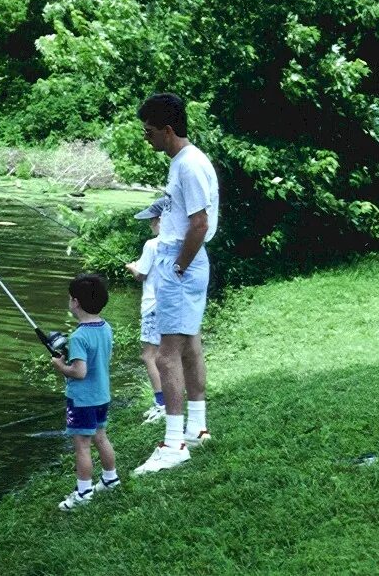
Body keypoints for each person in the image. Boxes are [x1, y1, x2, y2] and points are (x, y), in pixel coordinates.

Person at [132, 93, 219, 475]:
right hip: (180, 262)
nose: (146, 138)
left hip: (179, 264)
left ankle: (173, 443)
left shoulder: (189, 165)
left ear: (168, 130)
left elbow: (199, 224)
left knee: (166, 354)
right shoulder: (182, 162)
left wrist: (178, 267)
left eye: (149, 132)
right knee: (190, 346)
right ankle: (197, 428)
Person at [50, 273, 119, 510]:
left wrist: (61, 366)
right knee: (101, 436)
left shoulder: (79, 336)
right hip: (101, 395)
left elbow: (79, 372)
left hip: (82, 400)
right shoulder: (105, 327)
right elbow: (100, 359)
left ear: (75, 302)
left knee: (82, 444)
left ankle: (83, 492)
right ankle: (111, 479)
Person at [125, 196, 170, 424]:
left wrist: (132, 267)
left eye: (152, 220)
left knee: (149, 356)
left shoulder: (152, 245)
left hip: (153, 307)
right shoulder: (180, 242)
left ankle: (161, 404)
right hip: (172, 306)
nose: (150, 224)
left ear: (162, 220)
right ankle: (169, 401)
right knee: (167, 355)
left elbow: (141, 274)